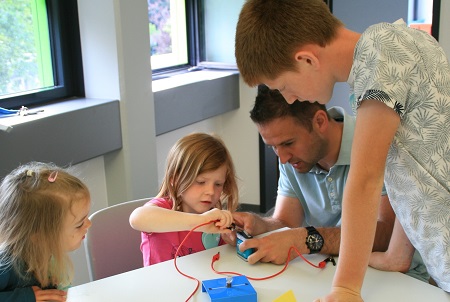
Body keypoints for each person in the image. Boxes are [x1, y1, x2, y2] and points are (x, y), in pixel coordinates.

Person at [235, 0, 450, 301]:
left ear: (307, 60)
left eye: (283, 86)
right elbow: (411, 167)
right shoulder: (394, 53)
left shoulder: (381, 52)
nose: (291, 98)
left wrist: (345, 288)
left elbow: (365, 180)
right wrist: (395, 255)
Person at [232, 85, 428, 283]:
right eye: (273, 147)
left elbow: (384, 235)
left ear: (319, 121)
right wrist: (258, 224)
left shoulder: (374, 142)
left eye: (288, 143)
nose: (282, 158)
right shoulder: (294, 160)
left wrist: (306, 239)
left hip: (396, 277)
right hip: (328, 270)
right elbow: (286, 223)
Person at [129, 132, 239, 266]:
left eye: (218, 184)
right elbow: (137, 218)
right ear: (175, 180)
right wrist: (200, 222)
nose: (211, 192)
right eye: (200, 182)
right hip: (162, 285)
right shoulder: (163, 209)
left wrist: (234, 241)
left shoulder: (214, 216)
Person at [0, 161, 92, 302]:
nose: (89, 224)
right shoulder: (7, 264)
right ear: (40, 237)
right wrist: (25, 297)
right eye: (79, 224)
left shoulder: (47, 254)